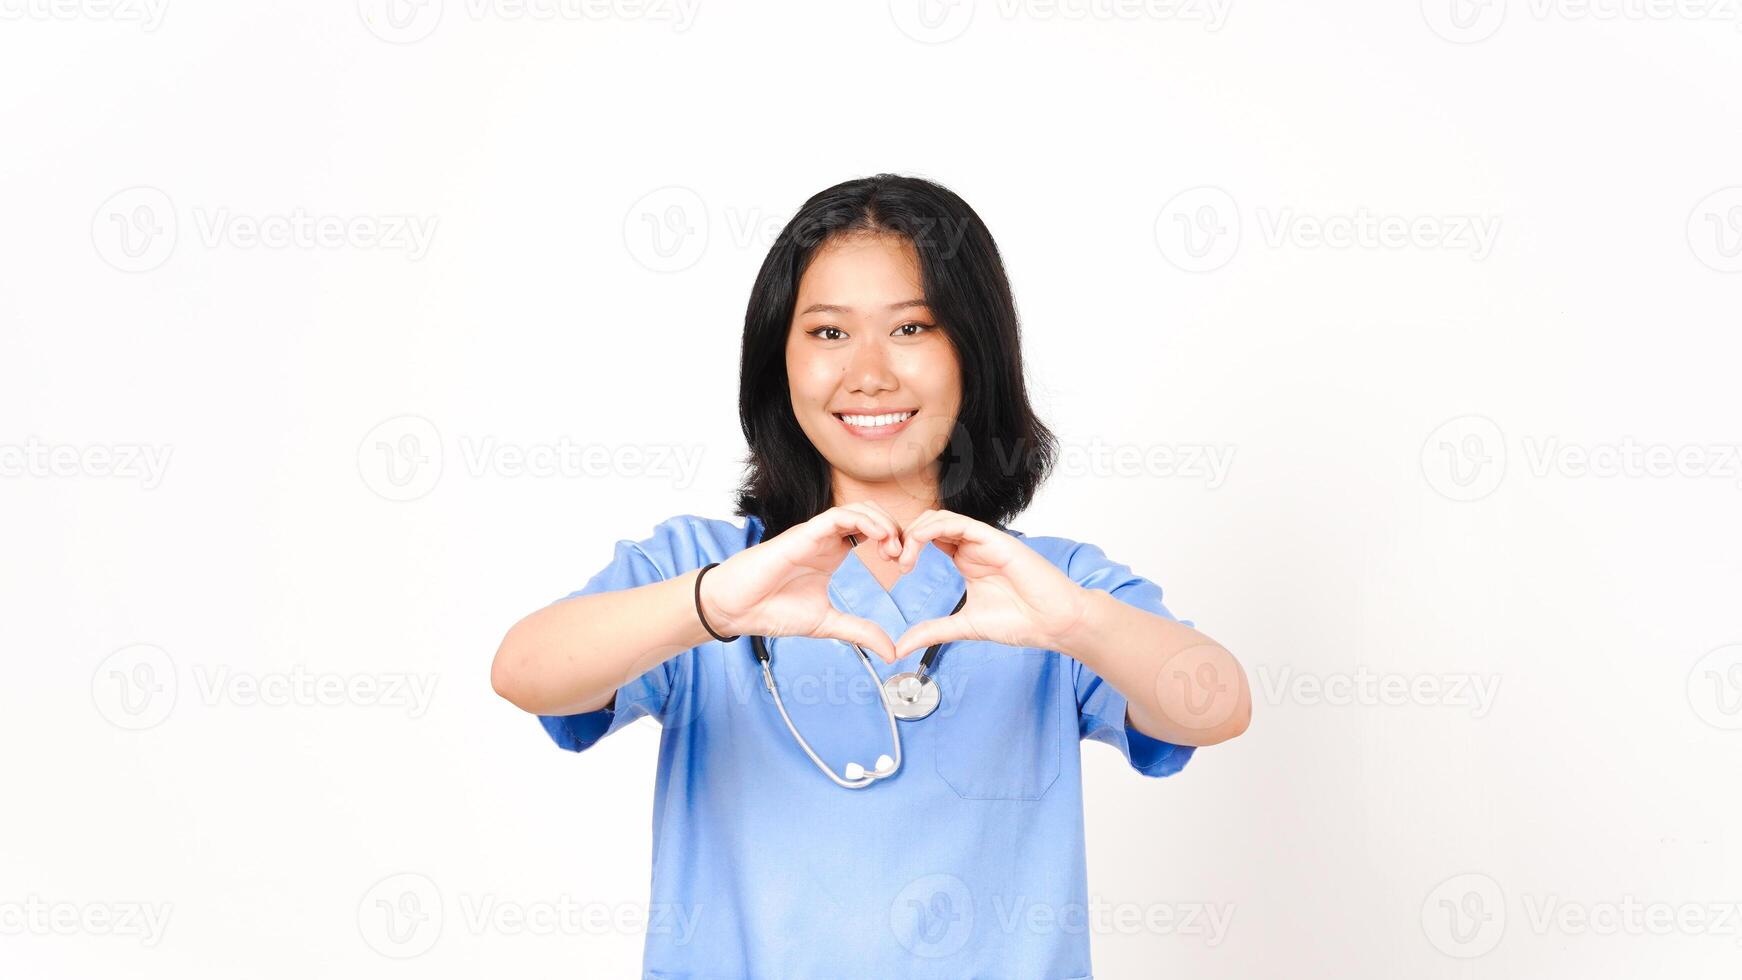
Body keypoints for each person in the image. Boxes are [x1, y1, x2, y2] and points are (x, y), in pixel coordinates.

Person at [490, 173, 1252, 977]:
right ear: (777, 361)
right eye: (827, 334)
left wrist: (1076, 624)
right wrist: (712, 604)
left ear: (974, 353)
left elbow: (1218, 703)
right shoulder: (703, 570)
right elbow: (525, 672)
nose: (869, 373)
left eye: (912, 327)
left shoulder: (1046, 585)